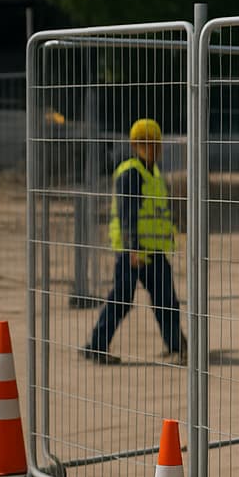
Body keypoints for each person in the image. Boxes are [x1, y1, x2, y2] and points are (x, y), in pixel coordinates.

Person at [82, 119, 186, 365]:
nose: (151, 148)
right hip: (134, 250)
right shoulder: (130, 173)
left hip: (155, 250)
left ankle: (177, 347)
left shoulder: (156, 174)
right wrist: (133, 247)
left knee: (166, 300)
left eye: (154, 143)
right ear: (135, 145)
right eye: (145, 143)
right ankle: (97, 345)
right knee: (121, 298)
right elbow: (128, 213)